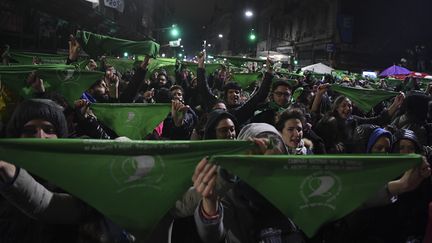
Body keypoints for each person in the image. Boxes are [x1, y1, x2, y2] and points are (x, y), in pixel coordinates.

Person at [0, 99, 134, 242]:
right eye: (29, 131)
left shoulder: (79, 179)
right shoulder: (3, 180)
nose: (40, 137)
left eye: (49, 130)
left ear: (60, 136)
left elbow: (52, 206)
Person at [192, 123, 305, 243]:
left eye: (273, 146)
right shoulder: (232, 193)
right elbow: (212, 236)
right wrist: (210, 202)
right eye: (258, 149)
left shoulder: (297, 187)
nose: (267, 155)